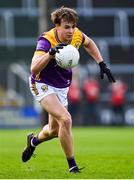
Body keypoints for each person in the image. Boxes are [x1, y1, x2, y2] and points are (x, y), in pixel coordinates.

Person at [21, 7, 115, 173]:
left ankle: (33, 141)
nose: (71, 31)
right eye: (66, 27)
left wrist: (101, 63)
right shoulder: (46, 40)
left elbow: (89, 43)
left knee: (54, 131)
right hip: (41, 83)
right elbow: (34, 69)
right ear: (57, 26)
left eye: (72, 26)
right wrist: (50, 54)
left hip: (61, 85)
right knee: (66, 119)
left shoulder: (77, 34)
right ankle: (73, 166)